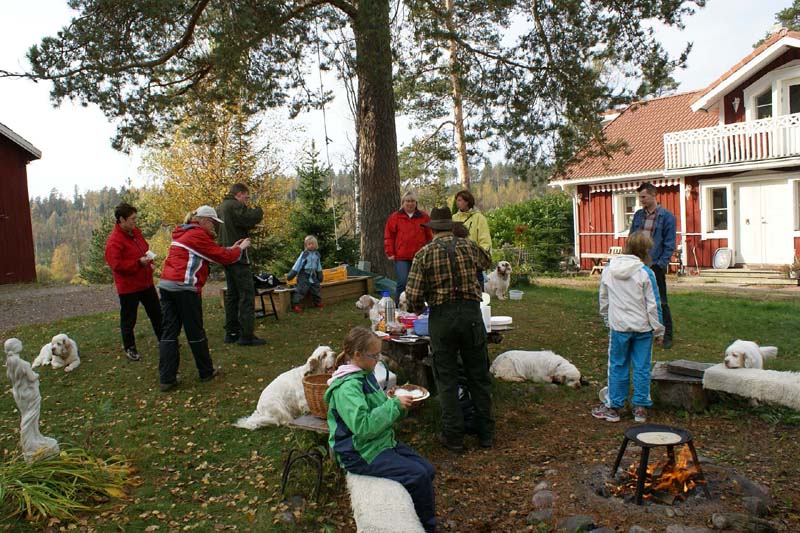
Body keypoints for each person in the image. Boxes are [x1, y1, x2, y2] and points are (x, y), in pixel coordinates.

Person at [325, 326, 436, 532]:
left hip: (380, 441)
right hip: (359, 452)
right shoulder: (347, 388)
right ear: (357, 355)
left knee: (427, 470)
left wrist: (400, 406)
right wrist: (393, 406)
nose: (378, 359)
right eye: (374, 355)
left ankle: (412, 516)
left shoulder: (364, 374)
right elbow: (364, 427)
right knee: (418, 476)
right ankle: (428, 528)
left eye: (379, 354)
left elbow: (379, 410)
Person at [405, 207, 495, 451]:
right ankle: (485, 433)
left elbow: (412, 299)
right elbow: (487, 260)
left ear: (432, 229)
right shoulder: (468, 246)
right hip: (471, 315)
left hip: (442, 318)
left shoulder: (423, 254)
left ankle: (454, 436)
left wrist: (421, 304)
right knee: (478, 375)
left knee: (446, 378)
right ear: (451, 226)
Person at [157, 206, 250, 392]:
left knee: (169, 332)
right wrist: (239, 249)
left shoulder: (185, 233)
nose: (215, 228)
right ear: (205, 221)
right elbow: (223, 257)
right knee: (195, 332)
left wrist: (230, 248)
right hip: (184, 288)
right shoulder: (197, 235)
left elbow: (211, 252)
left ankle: (167, 378)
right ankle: (206, 371)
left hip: (167, 285)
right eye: (214, 224)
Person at [592, 231, 664, 424]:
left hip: (619, 328)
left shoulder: (609, 269)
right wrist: (659, 330)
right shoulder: (645, 273)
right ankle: (639, 408)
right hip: (642, 329)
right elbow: (653, 305)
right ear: (644, 251)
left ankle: (614, 407)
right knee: (641, 367)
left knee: (617, 365)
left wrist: (608, 319)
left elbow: (603, 299)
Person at [104, 202, 163, 361]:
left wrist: (148, 261)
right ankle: (130, 347)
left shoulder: (135, 232)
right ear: (121, 220)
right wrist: (138, 263)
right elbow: (116, 265)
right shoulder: (114, 242)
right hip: (129, 287)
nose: (135, 222)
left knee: (157, 313)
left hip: (145, 282)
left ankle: (164, 340)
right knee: (129, 319)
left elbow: (143, 247)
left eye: (135, 219)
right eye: (132, 219)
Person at [217, 183, 265, 346]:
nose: (246, 200)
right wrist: (259, 210)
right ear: (238, 194)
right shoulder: (234, 205)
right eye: (246, 196)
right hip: (238, 256)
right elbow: (249, 217)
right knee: (246, 294)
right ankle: (247, 335)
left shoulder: (221, 207)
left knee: (232, 295)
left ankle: (231, 332)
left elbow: (237, 224)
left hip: (226, 254)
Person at [629, 182, 676, 349]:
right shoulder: (638, 216)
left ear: (653, 195)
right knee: (638, 299)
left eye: (643, 197)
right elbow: (631, 238)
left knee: (660, 301)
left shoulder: (667, 217)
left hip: (655, 264)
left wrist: (661, 264)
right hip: (636, 264)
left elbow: (669, 243)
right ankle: (643, 333)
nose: (641, 200)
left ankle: (667, 335)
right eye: (639, 197)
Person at [384, 191, 432, 304]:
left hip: (420, 255)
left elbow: (429, 235)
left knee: (420, 282)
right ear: (403, 203)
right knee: (403, 281)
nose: (410, 204)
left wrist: (430, 250)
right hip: (401, 256)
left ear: (416, 203)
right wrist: (389, 252)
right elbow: (388, 236)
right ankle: (398, 308)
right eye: (407, 201)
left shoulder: (424, 216)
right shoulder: (395, 217)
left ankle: (419, 307)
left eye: (412, 201)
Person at [452, 189, 492, 290]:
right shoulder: (453, 218)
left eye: (460, 200)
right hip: (457, 260)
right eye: (457, 200)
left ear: (467, 201)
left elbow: (485, 241)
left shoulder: (479, 218)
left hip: (473, 261)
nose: (457, 202)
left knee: (477, 290)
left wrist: (478, 257)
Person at [286, 235, 324, 312]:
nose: (311, 245)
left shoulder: (317, 254)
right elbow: (298, 263)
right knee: (301, 290)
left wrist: (320, 273)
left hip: (312, 274)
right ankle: (295, 305)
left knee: (316, 287)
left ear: (315, 244)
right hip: (303, 274)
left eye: (312, 243)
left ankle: (317, 302)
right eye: (309, 244)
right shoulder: (304, 254)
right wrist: (292, 273)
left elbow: (318, 265)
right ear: (306, 245)